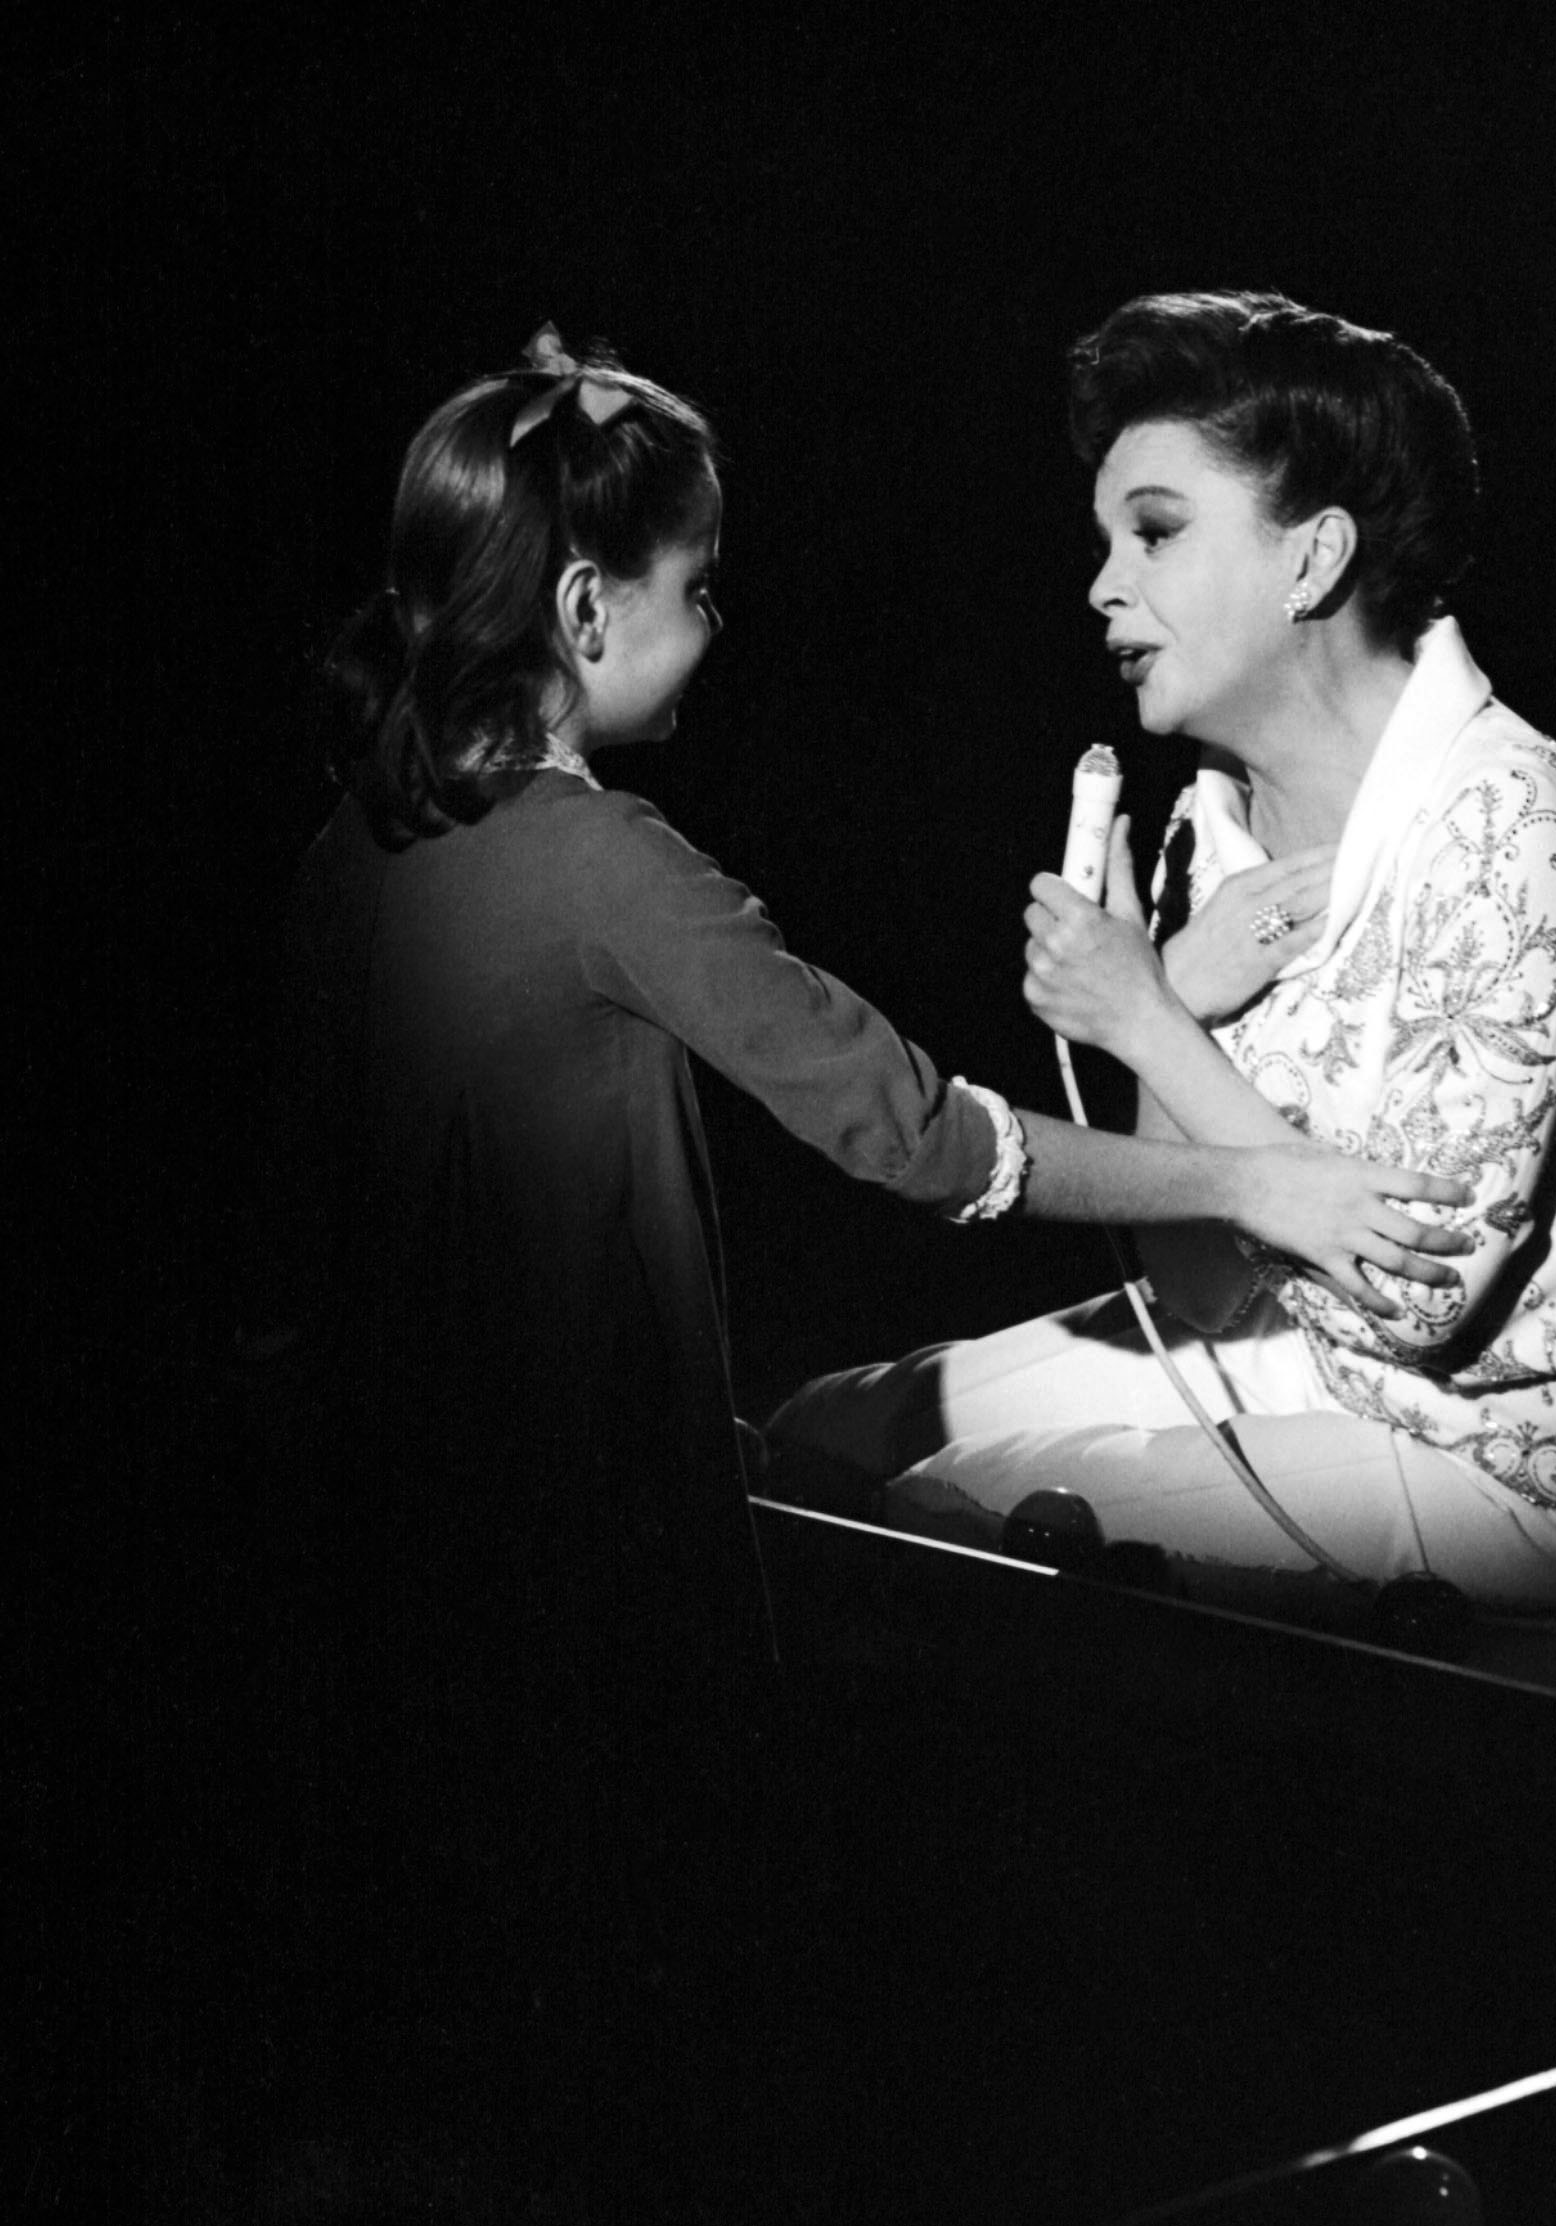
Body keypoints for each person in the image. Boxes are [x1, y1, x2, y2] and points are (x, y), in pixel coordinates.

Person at [244, 325, 1472, 2195]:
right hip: (583, 1537)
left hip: (382, 1526)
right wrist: (1250, 1183)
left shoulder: (360, 839)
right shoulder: (609, 867)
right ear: (587, 605)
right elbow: (918, 1135)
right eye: (697, 585)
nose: (719, 621)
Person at [768, 292, 1556, 1627]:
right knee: (834, 1427)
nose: (1103, 583)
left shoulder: (1507, 826)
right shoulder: (1207, 824)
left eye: (1154, 531)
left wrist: (1149, 1018)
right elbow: (1197, 1290)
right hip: (1307, 1360)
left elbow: (1419, 1296)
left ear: (1312, 558)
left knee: (939, 1515)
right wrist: (1178, 999)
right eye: (1105, 538)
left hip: (1499, 1460)